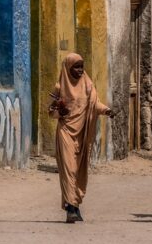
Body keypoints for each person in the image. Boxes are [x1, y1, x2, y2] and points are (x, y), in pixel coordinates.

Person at [48, 53, 116, 223]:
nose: (79, 70)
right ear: (67, 68)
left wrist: (107, 110)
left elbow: (95, 104)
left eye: (81, 66)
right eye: (75, 67)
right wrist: (59, 111)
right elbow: (51, 112)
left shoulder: (88, 85)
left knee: (80, 170)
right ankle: (70, 207)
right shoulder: (59, 87)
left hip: (83, 134)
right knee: (69, 169)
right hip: (66, 132)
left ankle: (76, 204)